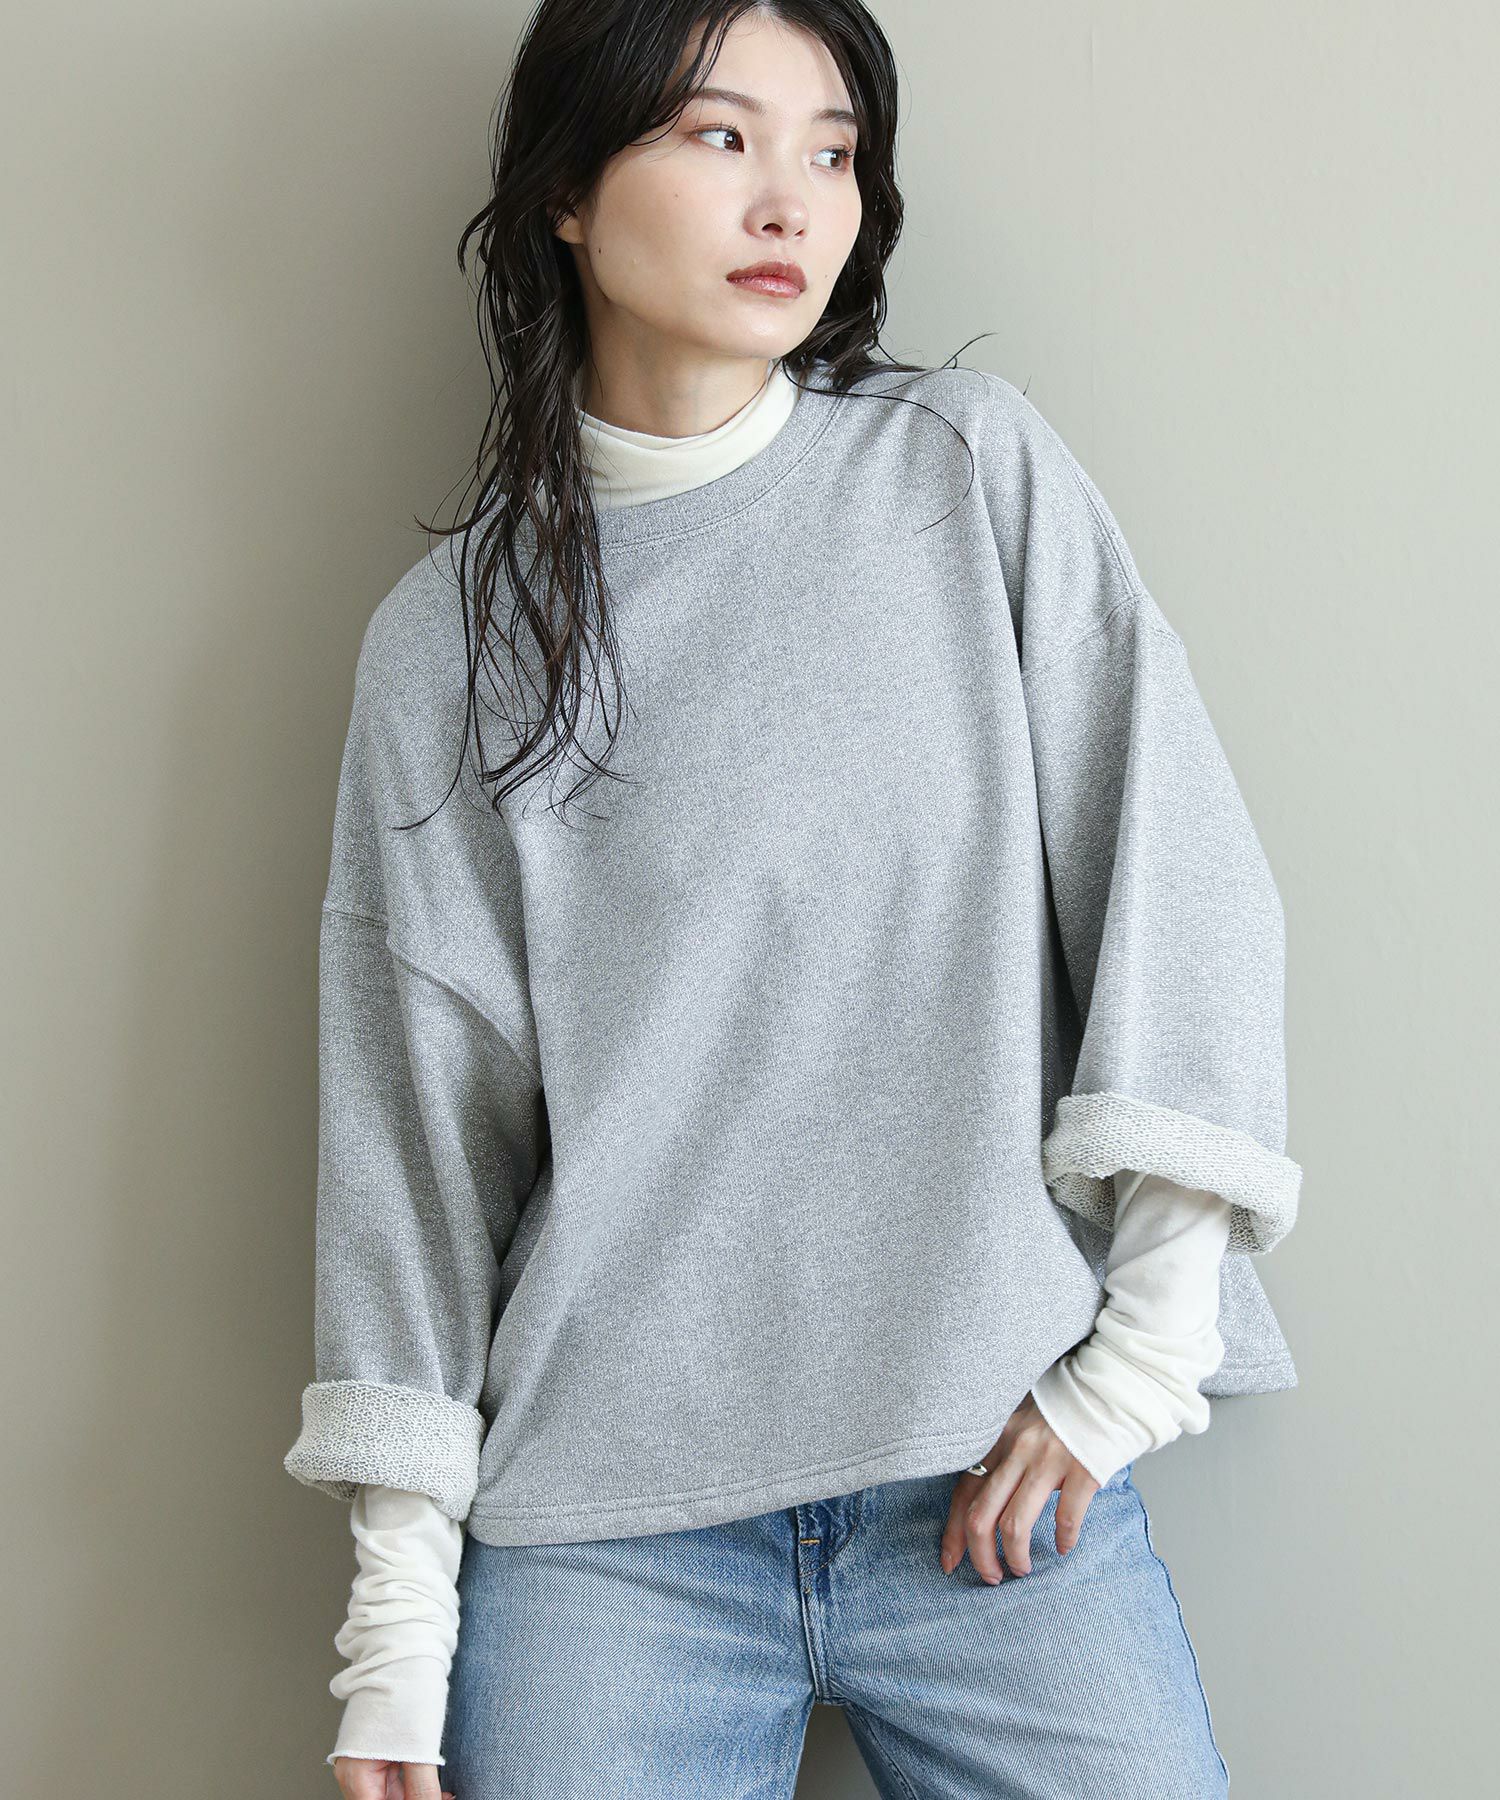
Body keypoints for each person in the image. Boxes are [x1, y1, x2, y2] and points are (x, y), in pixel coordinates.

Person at [283, 3, 1302, 1796]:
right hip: (610, 1538)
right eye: (719, 136)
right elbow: (414, 1148)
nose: (792, 201)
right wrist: (394, 1643)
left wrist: (1138, 1365)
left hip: (994, 1476)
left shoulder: (963, 472)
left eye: (833, 150)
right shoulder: (449, 643)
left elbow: (1183, 886)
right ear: (566, 194)